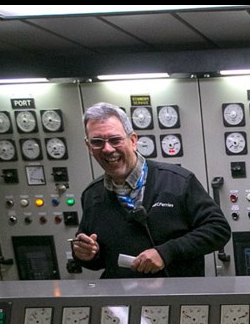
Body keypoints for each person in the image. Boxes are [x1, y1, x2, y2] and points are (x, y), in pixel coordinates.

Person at [71, 102, 231, 278]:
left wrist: (166, 252)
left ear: (133, 141)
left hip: (177, 295)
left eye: (115, 140)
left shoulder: (177, 181)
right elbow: (97, 259)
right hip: (123, 300)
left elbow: (218, 229)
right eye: (97, 142)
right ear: (88, 147)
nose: (107, 149)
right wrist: (86, 255)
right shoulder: (92, 195)